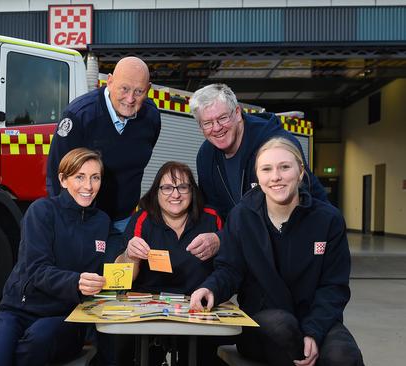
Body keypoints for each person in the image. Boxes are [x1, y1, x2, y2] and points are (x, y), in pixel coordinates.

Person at [189, 137, 364, 366]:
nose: (276, 177)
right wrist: (210, 288)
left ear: (301, 172)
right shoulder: (242, 217)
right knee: (282, 326)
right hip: (264, 322)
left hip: (317, 317)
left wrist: (313, 331)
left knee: (343, 356)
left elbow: (334, 286)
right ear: (258, 177)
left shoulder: (328, 220)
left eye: (285, 167)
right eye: (267, 169)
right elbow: (230, 269)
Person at [0, 148, 109, 366]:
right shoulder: (42, 211)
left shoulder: (102, 222)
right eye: (80, 177)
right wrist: (76, 281)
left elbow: (111, 267)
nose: (89, 186)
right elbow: (36, 269)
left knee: (37, 342)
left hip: (65, 315)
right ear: (63, 180)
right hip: (18, 310)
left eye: (95, 178)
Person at [186, 83, 328, 258]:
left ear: (237, 113)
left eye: (223, 118)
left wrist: (222, 238)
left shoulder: (275, 144)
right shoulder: (205, 156)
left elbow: (292, 210)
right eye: (207, 123)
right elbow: (213, 210)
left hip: (293, 248)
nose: (216, 128)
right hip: (245, 251)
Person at [46, 56, 161, 261]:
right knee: (81, 279)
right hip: (83, 220)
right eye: (124, 89)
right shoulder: (79, 116)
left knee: (117, 283)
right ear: (109, 81)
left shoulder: (151, 117)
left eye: (139, 91)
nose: (130, 99)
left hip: (124, 220)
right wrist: (67, 224)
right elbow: (58, 174)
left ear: (149, 89)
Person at [114, 161, 224, 366]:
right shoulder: (142, 218)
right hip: (148, 307)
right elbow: (123, 277)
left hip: (196, 306)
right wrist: (130, 255)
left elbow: (228, 267)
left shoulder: (211, 218)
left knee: (201, 357)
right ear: (156, 191)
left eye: (182, 187)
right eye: (167, 187)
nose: (175, 194)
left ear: (192, 191)